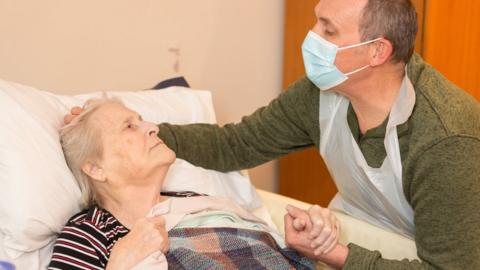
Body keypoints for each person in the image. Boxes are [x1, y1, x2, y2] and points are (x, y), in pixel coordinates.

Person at [65, 0, 480, 268]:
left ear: (377, 51)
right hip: (356, 236)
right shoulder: (320, 93)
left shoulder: (446, 139)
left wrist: (333, 253)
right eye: (316, 20)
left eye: (328, 30)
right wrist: (144, 129)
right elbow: (236, 144)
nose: (311, 38)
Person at [50, 98, 338, 270]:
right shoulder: (88, 235)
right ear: (95, 168)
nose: (152, 127)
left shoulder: (198, 201)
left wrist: (303, 242)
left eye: (141, 120)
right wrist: (120, 264)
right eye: (129, 126)